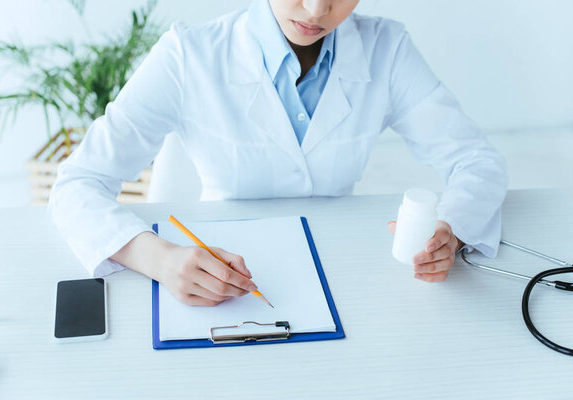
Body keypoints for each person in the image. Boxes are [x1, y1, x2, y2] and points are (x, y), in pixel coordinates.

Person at [49, 0, 508, 306]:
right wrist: (160, 259)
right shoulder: (188, 55)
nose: (316, 9)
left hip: (341, 275)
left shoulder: (388, 49)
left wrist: (453, 228)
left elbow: (476, 161)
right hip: (222, 276)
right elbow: (77, 185)